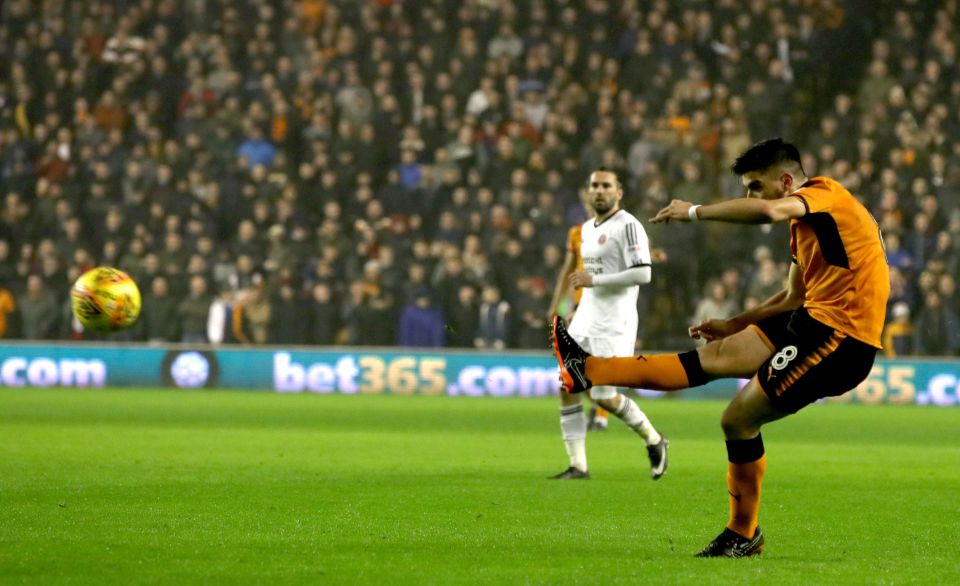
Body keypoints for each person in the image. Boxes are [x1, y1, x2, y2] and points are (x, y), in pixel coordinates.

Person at [551, 139, 890, 556]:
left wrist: (694, 212)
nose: (749, 196)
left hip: (842, 338)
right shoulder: (806, 225)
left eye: (754, 186)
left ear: (786, 181)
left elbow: (767, 211)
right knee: (715, 356)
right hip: (811, 318)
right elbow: (791, 297)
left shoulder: (825, 194)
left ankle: (743, 534)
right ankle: (589, 369)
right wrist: (734, 323)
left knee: (737, 420)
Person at [546, 168, 668, 481]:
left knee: (602, 397)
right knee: (567, 385)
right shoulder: (585, 229)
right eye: (594, 186)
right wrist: (569, 308)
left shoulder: (628, 226)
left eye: (606, 186)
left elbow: (643, 273)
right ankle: (578, 466)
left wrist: (594, 280)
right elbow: (574, 277)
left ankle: (654, 439)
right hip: (584, 319)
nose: (599, 191)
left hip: (615, 325)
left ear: (619, 192)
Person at [547, 188, 612, 430]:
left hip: (606, 305)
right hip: (581, 304)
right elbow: (568, 273)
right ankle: (599, 410)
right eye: (587, 201)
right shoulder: (576, 234)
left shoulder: (616, 231)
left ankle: (601, 415)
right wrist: (558, 305)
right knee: (576, 362)